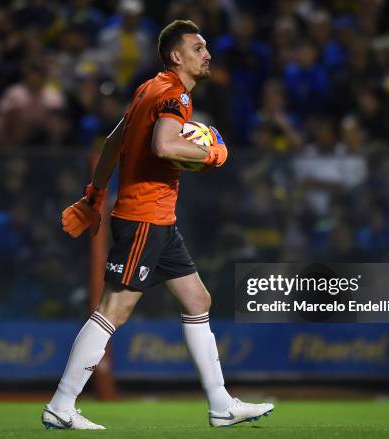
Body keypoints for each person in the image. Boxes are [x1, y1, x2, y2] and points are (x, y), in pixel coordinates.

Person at [41, 19, 274, 430]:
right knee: (113, 309)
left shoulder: (149, 88)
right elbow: (164, 145)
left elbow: (114, 141)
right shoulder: (174, 96)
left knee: (198, 300)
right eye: (198, 48)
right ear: (176, 56)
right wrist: (213, 154)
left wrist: (94, 195)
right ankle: (62, 403)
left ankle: (220, 404)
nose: (207, 55)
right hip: (144, 218)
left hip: (159, 221)